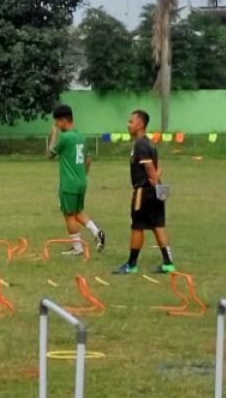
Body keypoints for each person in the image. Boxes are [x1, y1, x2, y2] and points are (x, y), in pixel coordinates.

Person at [114, 110, 173, 275]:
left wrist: (154, 185)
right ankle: (168, 264)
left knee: (137, 226)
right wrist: (159, 189)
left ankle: (131, 265)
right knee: (157, 225)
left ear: (140, 124)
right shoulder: (150, 143)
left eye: (131, 121)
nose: (128, 124)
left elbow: (149, 168)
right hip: (153, 190)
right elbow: (158, 167)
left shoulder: (140, 144)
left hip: (143, 192)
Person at [47, 104, 105, 256]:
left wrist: (53, 134)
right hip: (81, 182)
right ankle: (97, 232)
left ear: (63, 120)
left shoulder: (65, 137)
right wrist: (82, 175)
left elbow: (49, 155)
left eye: (57, 123)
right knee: (77, 211)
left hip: (68, 184)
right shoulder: (80, 135)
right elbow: (89, 159)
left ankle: (77, 248)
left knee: (69, 215)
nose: (57, 126)